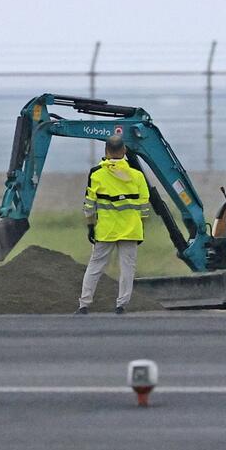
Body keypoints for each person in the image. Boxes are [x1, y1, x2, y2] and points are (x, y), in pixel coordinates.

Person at [76, 135, 150, 315]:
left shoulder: (96, 174)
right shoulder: (137, 176)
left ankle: (84, 304)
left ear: (106, 151)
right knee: (127, 269)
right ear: (124, 151)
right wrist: (141, 226)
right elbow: (145, 205)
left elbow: (89, 204)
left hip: (105, 230)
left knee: (95, 267)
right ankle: (121, 305)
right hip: (131, 230)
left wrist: (90, 226)